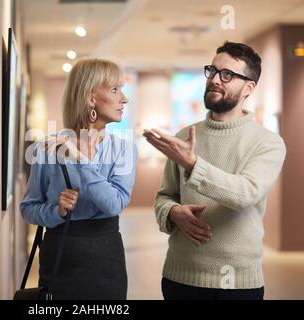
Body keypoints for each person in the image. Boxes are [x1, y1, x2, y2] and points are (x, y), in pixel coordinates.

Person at [143, 41, 286, 300]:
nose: (215, 80)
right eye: (213, 71)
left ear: (249, 88)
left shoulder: (268, 142)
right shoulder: (185, 135)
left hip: (237, 286)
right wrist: (173, 213)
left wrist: (192, 164)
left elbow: (246, 193)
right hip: (179, 279)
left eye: (228, 75)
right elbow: (164, 197)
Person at [20, 58, 137, 300]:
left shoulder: (123, 149)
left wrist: (78, 159)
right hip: (60, 258)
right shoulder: (47, 148)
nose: (123, 99)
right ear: (90, 97)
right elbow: (28, 208)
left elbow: (114, 204)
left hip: (106, 259)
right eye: (115, 90)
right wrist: (57, 212)